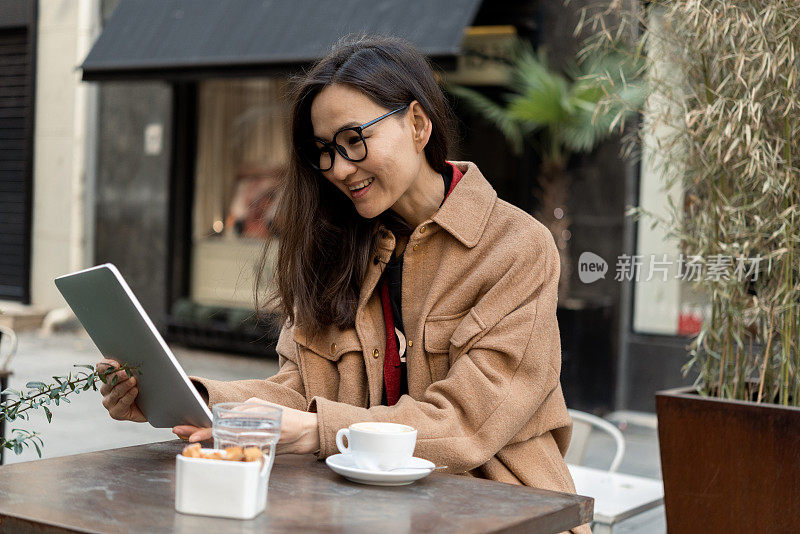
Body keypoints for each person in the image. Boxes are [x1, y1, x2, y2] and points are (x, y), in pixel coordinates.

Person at [97, 34, 589, 533]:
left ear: (417, 124)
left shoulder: (516, 248)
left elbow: (467, 422)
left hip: (505, 511)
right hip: (365, 512)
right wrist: (194, 400)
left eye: (355, 140)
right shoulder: (337, 247)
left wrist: (319, 431)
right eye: (325, 151)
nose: (338, 168)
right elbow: (297, 389)